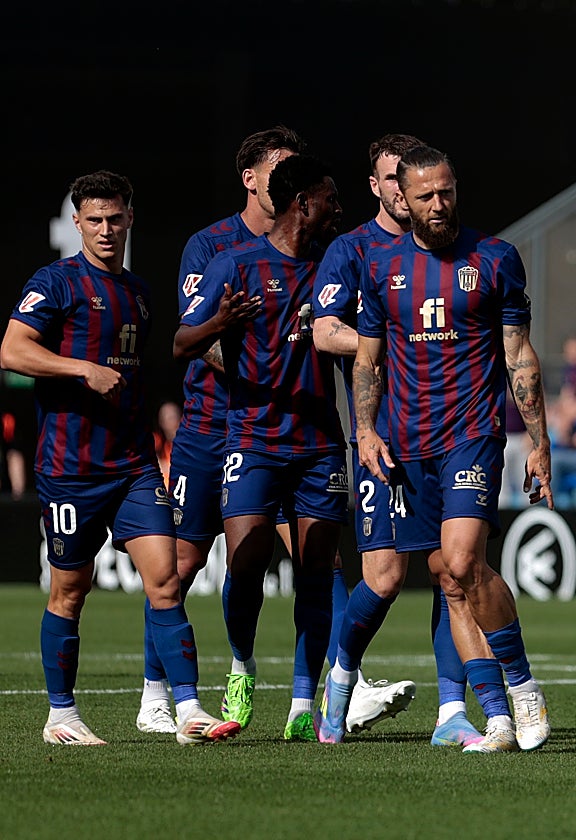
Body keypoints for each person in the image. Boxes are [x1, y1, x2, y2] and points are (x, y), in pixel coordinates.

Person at [0, 171, 239, 746]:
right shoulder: (55, 282)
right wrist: (80, 368)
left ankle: (187, 712)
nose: (106, 229)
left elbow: (145, 376)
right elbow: (12, 349)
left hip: (132, 467)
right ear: (77, 223)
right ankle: (62, 716)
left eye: (115, 219)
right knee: (70, 592)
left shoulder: (138, 293)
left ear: (130, 218)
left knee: (167, 582)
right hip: (71, 470)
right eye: (95, 220)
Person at [353, 144, 553, 753]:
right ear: (400, 199)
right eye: (425, 196)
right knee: (447, 578)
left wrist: (539, 445)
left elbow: (519, 354)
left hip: (472, 434)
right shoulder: (380, 267)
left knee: (463, 561)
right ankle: (494, 718)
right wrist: (365, 430)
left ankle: (522, 690)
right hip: (408, 446)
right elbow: (368, 360)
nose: (439, 205)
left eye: (447, 192)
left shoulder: (495, 259)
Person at [312, 133, 496, 748]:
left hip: (453, 436)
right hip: (385, 439)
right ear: (379, 185)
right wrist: (390, 341)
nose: (404, 191)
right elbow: (324, 329)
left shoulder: (457, 252)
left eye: (411, 181)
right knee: (386, 576)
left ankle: (453, 714)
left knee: (452, 570)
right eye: (393, 180)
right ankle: (340, 681)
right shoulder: (353, 250)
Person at [175, 154, 347, 741]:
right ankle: (242, 667)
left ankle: (304, 701)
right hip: (252, 439)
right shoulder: (234, 264)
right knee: (246, 560)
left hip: (321, 444)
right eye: (329, 198)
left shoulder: (335, 263)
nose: (337, 208)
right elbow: (180, 344)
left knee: (316, 570)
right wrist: (217, 322)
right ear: (303, 202)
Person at [139, 125, 303, 736]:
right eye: (278, 166)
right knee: (179, 567)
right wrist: (260, 362)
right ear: (251, 178)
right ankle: (157, 693)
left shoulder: (309, 246)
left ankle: (337, 685)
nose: (289, 177)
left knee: (312, 559)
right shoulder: (210, 245)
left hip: (278, 429)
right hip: (210, 427)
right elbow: (193, 337)